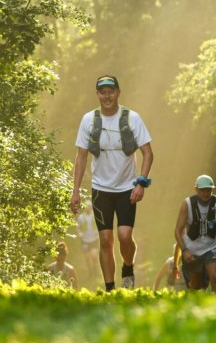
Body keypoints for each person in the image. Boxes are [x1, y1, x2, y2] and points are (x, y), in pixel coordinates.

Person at [71, 75, 154, 291]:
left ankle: (128, 267)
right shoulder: (88, 120)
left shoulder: (132, 118)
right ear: (98, 94)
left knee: (125, 237)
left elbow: (148, 153)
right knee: (106, 240)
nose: (107, 96)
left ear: (118, 92)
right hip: (100, 189)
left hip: (127, 188)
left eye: (111, 91)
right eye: (103, 92)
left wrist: (140, 183)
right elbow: (81, 157)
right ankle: (110, 290)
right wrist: (75, 191)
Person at [174, 174, 216, 293]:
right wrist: (184, 250)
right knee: (195, 286)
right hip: (192, 251)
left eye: (209, 190)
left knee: (215, 278)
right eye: (203, 190)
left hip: (212, 248)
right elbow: (177, 231)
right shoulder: (187, 204)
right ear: (196, 189)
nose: (206, 193)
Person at [75, 202, 100, 288]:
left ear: (92, 207)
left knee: (94, 255)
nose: (88, 208)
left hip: (94, 239)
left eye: (89, 206)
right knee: (87, 257)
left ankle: (96, 270)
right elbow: (77, 227)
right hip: (85, 240)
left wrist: (99, 231)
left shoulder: (96, 215)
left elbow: (101, 224)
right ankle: (90, 272)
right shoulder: (82, 217)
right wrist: (80, 234)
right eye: (87, 207)